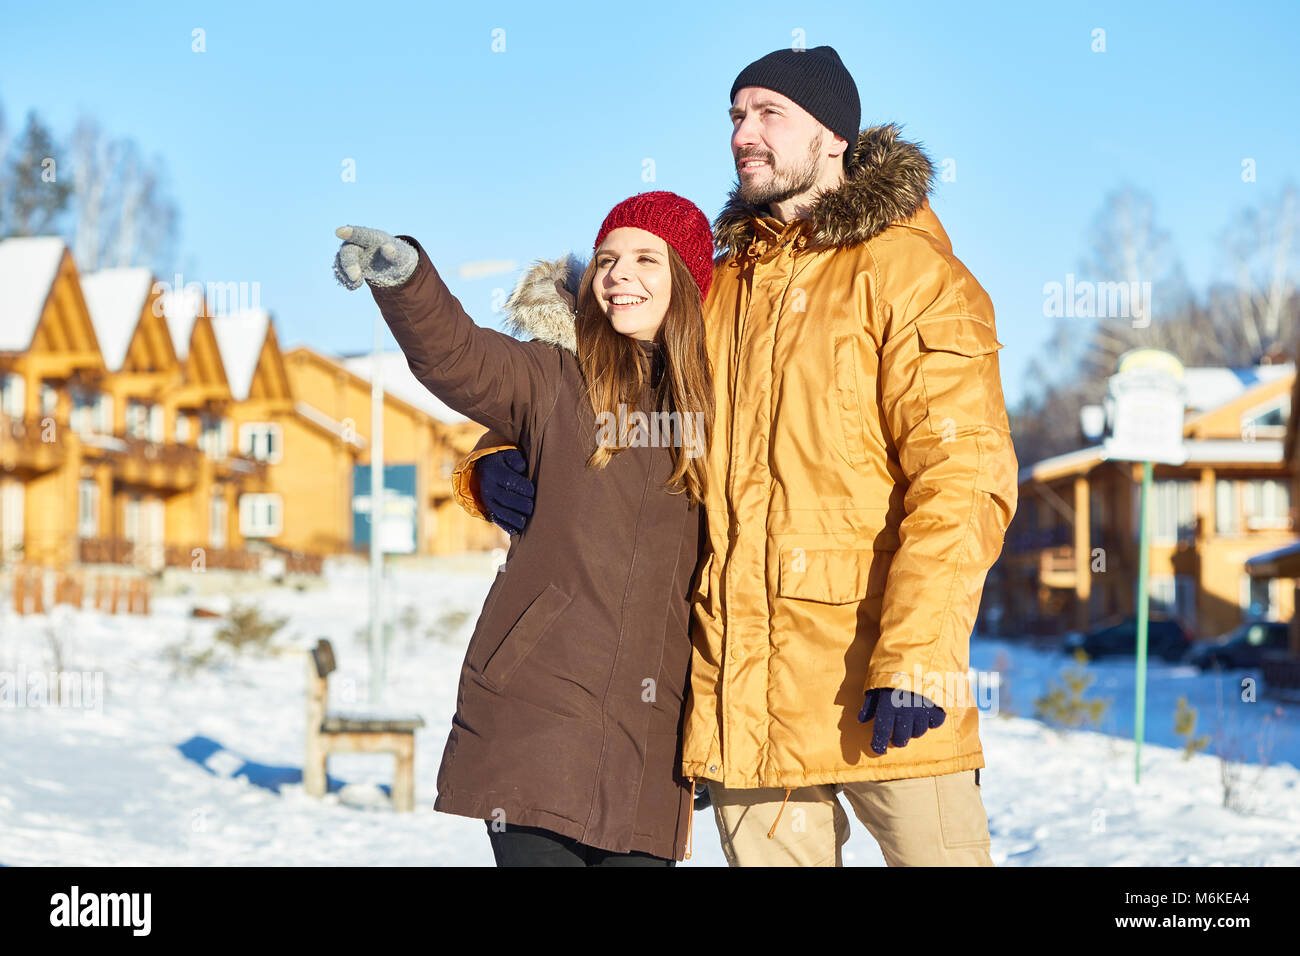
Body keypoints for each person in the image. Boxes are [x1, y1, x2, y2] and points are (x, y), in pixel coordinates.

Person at [455, 45, 1019, 867]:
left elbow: (964, 478)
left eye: (767, 114)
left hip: (881, 685)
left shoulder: (912, 275)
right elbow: (597, 379)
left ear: (834, 137)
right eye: (735, 115)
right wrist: (495, 458)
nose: (742, 134)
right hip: (743, 704)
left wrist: (920, 657)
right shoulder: (717, 291)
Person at [331, 189, 716, 866]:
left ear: (688, 283)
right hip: (538, 714)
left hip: (653, 741)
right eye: (606, 259)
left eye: (645, 259)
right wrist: (408, 279)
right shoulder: (554, 375)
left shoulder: (715, 411)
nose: (619, 273)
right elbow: (459, 358)